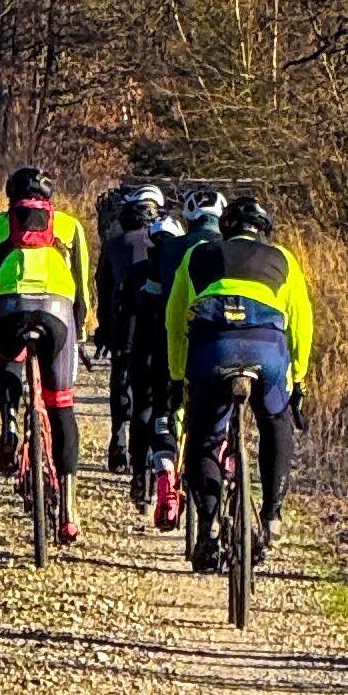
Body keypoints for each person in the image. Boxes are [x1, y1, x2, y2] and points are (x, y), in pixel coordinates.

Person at [165, 193, 313, 573]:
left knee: (203, 438)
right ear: (263, 232)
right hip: (268, 350)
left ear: (224, 230)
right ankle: (273, 514)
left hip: (213, 349)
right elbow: (301, 323)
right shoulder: (283, 259)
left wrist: (178, 376)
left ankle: (209, 525)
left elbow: (175, 321)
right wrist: (298, 378)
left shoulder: (196, 256)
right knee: (275, 422)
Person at [0, 164, 92, 544]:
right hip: (57, 309)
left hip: (9, 307)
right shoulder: (70, 227)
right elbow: (83, 290)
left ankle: (9, 420)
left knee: (9, 357)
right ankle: (70, 511)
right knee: (61, 406)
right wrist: (80, 335)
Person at [132, 183, 226, 526]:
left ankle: (165, 478)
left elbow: (151, 295)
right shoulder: (229, 249)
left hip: (170, 341)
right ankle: (224, 461)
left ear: (187, 218)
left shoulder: (171, 250)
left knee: (166, 408)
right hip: (218, 343)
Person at [95, 188, 154, 479]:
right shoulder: (167, 242)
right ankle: (148, 452)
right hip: (155, 324)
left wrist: (103, 328)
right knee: (151, 388)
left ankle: (118, 438)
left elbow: (103, 288)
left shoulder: (114, 244)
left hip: (123, 324)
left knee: (121, 379)